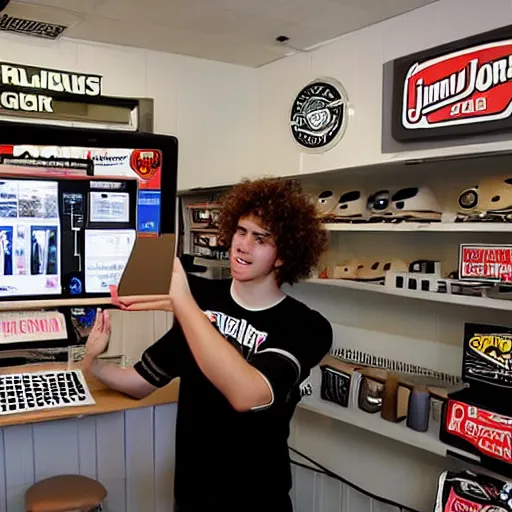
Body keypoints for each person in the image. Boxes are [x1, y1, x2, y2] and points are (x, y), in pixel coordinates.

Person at [82, 177, 333, 512]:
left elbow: (248, 395)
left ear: (283, 255)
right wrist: (92, 363)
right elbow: (140, 382)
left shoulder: (307, 326)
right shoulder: (200, 297)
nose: (242, 245)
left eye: (260, 238)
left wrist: (184, 304)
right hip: (192, 496)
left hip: (259, 500)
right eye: (241, 231)